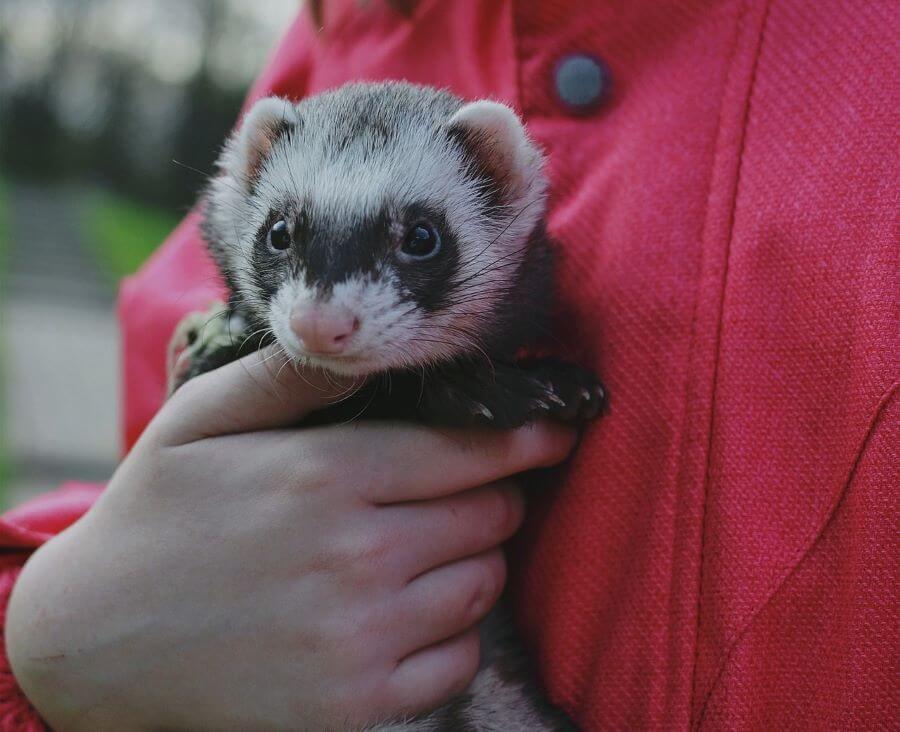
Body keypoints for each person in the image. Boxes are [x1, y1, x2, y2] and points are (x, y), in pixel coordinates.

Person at [2, 1, 896, 729]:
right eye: (284, 237)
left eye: (418, 243)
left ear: (506, 200)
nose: (323, 310)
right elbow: (136, 509)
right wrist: (50, 641)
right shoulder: (333, 36)